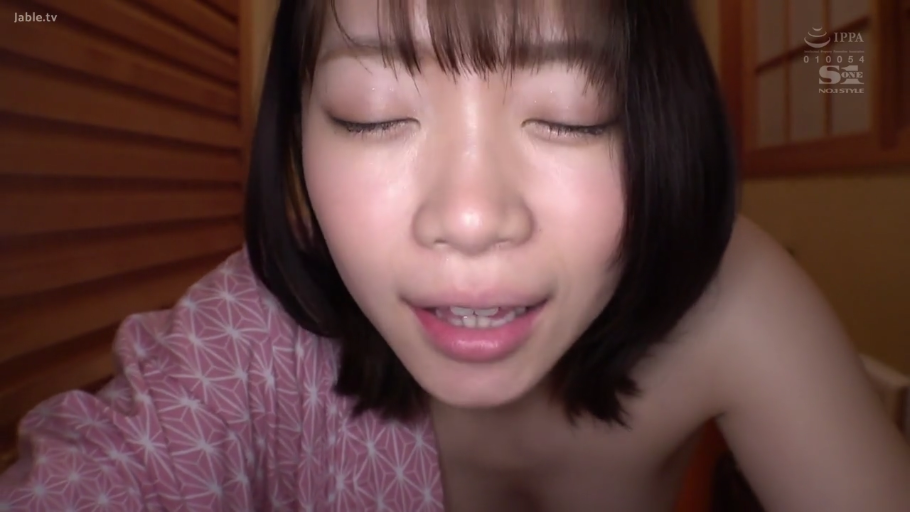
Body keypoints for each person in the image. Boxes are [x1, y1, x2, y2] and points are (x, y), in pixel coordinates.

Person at [2, 0, 909, 510]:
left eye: (572, 113)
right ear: (297, 135)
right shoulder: (246, 338)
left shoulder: (733, 295)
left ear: (658, 121)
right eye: (371, 114)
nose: (471, 217)